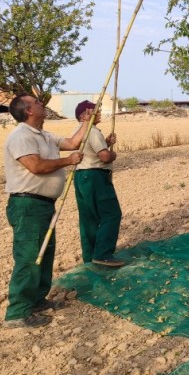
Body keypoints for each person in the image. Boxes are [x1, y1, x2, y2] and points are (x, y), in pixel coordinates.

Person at [3, 93, 89, 328]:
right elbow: (36, 166)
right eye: (38, 103)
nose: (43, 104)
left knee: (45, 254)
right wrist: (67, 161)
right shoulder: (21, 136)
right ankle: (17, 313)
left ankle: (37, 300)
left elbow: (72, 143)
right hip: (27, 205)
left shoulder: (45, 135)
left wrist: (86, 123)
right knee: (30, 257)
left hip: (43, 206)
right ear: (28, 111)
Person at [72, 100, 125, 268]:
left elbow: (90, 150)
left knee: (89, 218)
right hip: (95, 176)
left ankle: (90, 256)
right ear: (84, 115)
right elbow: (104, 157)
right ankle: (103, 254)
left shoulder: (78, 132)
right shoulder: (92, 131)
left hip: (81, 176)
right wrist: (112, 153)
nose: (99, 112)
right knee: (111, 214)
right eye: (95, 110)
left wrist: (106, 143)